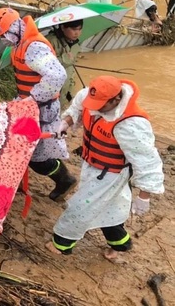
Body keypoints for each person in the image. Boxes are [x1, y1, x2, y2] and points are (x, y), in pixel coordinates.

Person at [47, 76, 164, 262]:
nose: (94, 108)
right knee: (109, 207)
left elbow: (147, 161)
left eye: (100, 105)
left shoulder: (132, 124)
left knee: (81, 207)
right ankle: (120, 244)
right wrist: (65, 123)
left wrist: (144, 196)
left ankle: (61, 244)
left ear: (115, 99)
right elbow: (77, 109)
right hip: (92, 165)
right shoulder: (89, 96)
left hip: (111, 174)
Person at [0, 7, 76, 201]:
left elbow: (57, 75)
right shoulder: (20, 44)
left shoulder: (34, 48)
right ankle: (14, 183)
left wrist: (33, 98)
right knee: (15, 144)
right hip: (27, 105)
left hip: (41, 108)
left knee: (38, 159)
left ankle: (65, 180)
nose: (3, 40)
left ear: (14, 28)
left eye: (4, 35)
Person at [45, 20, 83, 109]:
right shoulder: (50, 41)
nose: (77, 33)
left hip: (64, 92)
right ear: (62, 27)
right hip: (50, 93)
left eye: (79, 29)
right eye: (73, 29)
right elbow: (43, 64)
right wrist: (64, 59)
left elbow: (71, 70)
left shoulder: (75, 45)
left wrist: (70, 90)